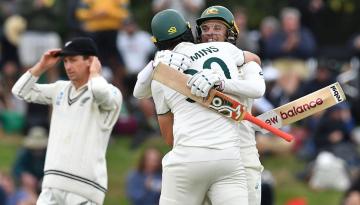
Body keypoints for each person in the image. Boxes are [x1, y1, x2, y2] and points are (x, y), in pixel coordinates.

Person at [134, 5, 265, 205]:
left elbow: (256, 81)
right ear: (192, 32)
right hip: (228, 158)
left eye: (217, 28)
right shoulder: (227, 51)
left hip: (239, 156)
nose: (210, 34)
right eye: (206, 29)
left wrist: (221, 82)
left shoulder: (237, 57)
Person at [12, 37, 123, 205]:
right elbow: (19, 91)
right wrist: (41, 66)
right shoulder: (60, 89)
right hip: (51, 185)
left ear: (90, 61)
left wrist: (94, 73)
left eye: (73, 60)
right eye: (65, 61)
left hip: (84, 189)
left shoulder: (112, 93)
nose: (68, 66)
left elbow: (100, 92)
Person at [12, 126, 48, 192]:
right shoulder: (25, 152)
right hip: (29, 187)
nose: (38, 150)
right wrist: (24, 175)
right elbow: (16, 168)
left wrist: (45, 179)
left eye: (40, 148)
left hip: (46, 186)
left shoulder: (49, 154)